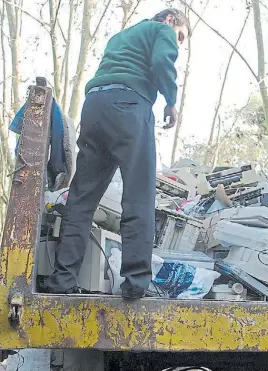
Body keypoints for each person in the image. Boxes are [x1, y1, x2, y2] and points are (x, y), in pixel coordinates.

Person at [46, 9, 191, 298]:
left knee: (82, 199)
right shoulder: (161, 30)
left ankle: (62, 281)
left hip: (95, 107)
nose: (179, 42)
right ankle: (136, 283)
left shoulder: (122, 37)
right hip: (129, 107)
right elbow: (162, 60)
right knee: (138, 196)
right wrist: (171, 102)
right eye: (181, 36)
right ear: (170, 20)